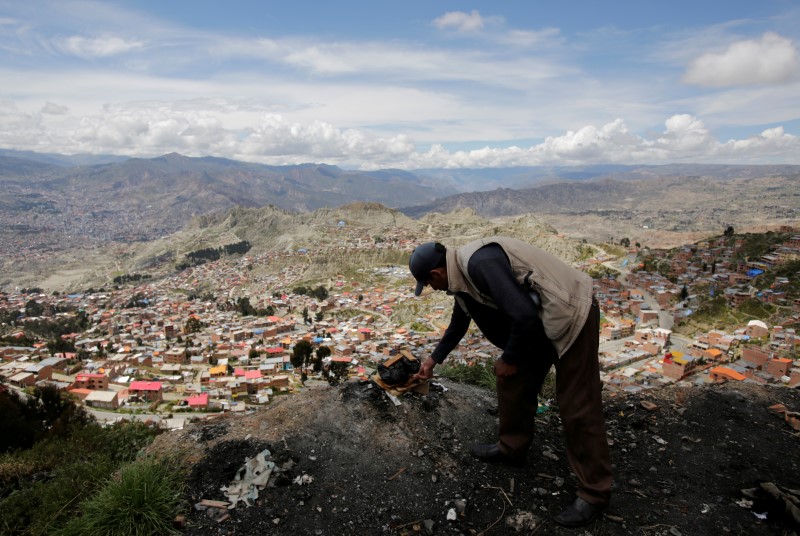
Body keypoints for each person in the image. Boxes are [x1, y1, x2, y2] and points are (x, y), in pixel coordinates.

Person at [408, 237, 612, 527]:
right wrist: (432, 361)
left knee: (577, 404)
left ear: (435, 274)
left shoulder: (479, 264)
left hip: (570, 311)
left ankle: (594, 492)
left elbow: (524, 314)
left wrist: (510, 357)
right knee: (513, 382)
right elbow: (459, 323)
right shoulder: (462, 281)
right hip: (542, 322)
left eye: (428, 284)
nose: (432, 289)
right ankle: (511, 447)